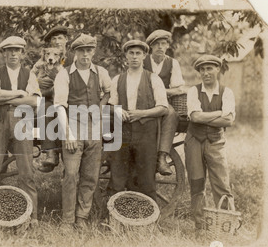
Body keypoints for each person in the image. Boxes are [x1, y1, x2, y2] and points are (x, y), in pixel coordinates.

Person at [0, 36, 41, 225]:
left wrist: (6, 99)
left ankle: (32, 218)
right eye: (9, 50)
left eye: (17, 50)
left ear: (22, 53)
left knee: (27, 173)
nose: (13, 54)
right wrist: (19, 93)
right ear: (4, 53)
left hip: (22, 121)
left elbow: (35, 101)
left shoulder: (29, 74)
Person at [53, 33, 112, 228]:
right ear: (75, 53)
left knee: (90, 175)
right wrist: (67, 134)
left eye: (89, 50)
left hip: (94, 128)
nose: (85, 54)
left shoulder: (101, 72)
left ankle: (82, 218)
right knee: (70, 174)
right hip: (73, 125)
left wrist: (100, 107)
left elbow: (109, 92)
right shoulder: (64, 74)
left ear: (93, 51)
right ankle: (67, 220)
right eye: (81, 51)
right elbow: (60, 106)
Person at [108, 40, 169, 202]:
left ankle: (147, 221)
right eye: (131, 53)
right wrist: (117, 109)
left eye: (138, 54)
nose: (134, 57)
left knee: (146, 180)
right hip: (122, 133)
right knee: (118, 178)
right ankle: (115, 218)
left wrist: (142, 113)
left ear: (144, 56)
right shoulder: (117, 80)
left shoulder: (153, 79)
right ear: (126, 56)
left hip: (146, 134)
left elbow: (163, 107)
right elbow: (111, 105)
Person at [184, 54, 236, 231]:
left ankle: (225, 226)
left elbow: (228, 121)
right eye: (202, 69)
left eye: (210, 68)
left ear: (217, 70)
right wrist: (219, 113)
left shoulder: (226, 92)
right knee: (197, 183)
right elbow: (195, 117)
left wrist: (203, 118)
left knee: (221, 183)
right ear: (199, 72)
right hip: (194, 141)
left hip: (216, 142)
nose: (206, 73)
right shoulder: (193, 91)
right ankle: (201, 226)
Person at [144, 29, 186, 176]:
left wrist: (160, 92)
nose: (160, 47)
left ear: (167, 46)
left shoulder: (172, 63)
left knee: (171, 114)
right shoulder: (142, 61)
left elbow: (179, 90)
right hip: (141, 102)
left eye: (163, 44)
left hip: (162, 102)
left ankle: (162, 157)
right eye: (157, 44)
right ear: (151, 47)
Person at [38, 25, 75, 172]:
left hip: (71, 97)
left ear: (66, 40)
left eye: (60, 37)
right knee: (45, 107)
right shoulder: (46, 59)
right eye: (54, 38)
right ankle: (51, 152)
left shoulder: (74, 58)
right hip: (51, 96)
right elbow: (39, 82)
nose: (57, 41)